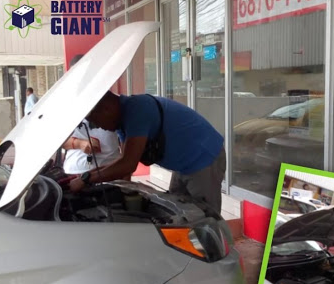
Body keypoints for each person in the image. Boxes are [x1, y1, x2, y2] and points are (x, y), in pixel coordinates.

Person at [69, 91, 226, 213]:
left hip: (203, 158)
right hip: (182, 163)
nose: (99, 127)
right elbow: (123, 163)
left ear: (106, 109)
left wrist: (86, 179)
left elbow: (128, 165)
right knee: (178, 211)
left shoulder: (138, 109)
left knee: (207, 218)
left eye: (95, 122)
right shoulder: (122, 121)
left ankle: (219, 246)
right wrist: (123, 193)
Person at [62, 54, 122, 175]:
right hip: (75, 172)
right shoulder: (65, 105)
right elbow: (58, 142)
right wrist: (79, 144)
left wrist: (125, 175)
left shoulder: (113, 102)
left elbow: (127, 143)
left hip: (110, 170)